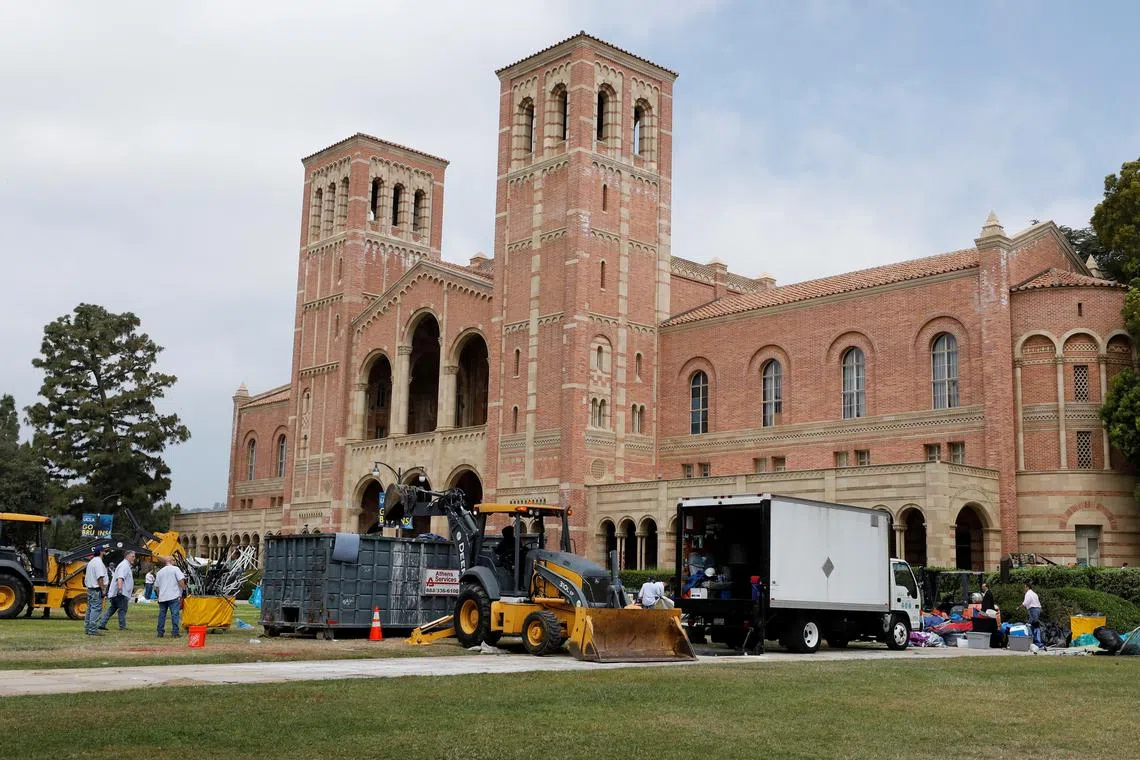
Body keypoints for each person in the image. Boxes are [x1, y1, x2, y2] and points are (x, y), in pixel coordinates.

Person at [97, 551, 136, 631]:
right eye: (132, 556)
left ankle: (102, 624)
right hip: (120, 592)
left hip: (116, 592)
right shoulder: (124, 566)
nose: (134, 558)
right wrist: (120, 590)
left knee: (112, 608)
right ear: (127, 556)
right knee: (122, 609)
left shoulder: (124, 565)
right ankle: (122, 627)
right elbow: (120, 578)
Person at [154, 556, 187, 638]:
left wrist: (159, 595)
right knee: (175, 614)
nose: (174, 561)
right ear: (170, 561)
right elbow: (180, 580)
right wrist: (184, 589)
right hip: (173, 595)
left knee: (162, 615)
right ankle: (175, 632)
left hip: (163, 596)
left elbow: (157, 587)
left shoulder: (159, 572)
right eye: (173, 560)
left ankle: (160, 632)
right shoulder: (175, 569)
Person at [83, 545, 109, 636]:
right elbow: (100, 577)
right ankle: (92, 630)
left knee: (90, 609)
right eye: (104, 551)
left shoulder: (91, 562)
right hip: (96, 589)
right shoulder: (98, 563)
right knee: (96, 609)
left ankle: (87, 628)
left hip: (90, 588)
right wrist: (103, 589)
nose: (105, 552)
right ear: (101, 552)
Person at [1021, 582, 1043, 646]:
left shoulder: (1028, 594)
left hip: (1033, 609)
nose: (1024, 588)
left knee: (1032, 625)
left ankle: (1037, 642)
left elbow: (1026, 602)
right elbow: (1038, 603)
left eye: (1025, 587)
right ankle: (1035, 641)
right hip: (1037, 609)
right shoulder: (1034, 594)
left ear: (1028, 587)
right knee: (1034, 625)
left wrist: (1019, 607)